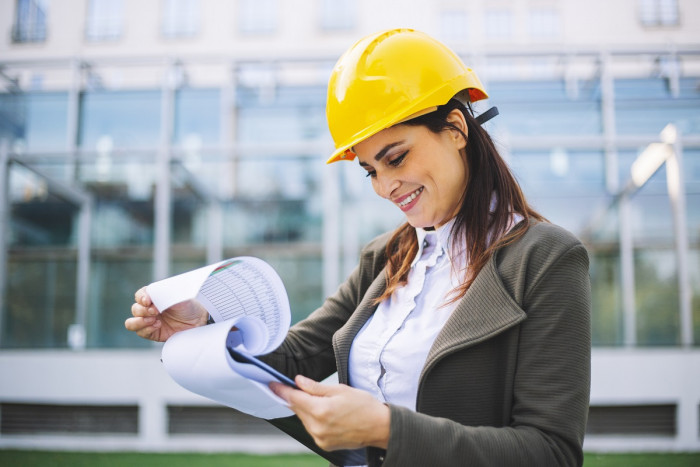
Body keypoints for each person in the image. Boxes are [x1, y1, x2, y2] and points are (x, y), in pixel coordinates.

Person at [126, 28, 591, 467]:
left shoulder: (547, 259)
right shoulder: (387, 257)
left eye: (396, 157)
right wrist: (206, 325)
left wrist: (387, 429)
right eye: (370, 170)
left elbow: (551, 451)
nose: (385, 187)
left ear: (455, 129)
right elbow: (295, 355)